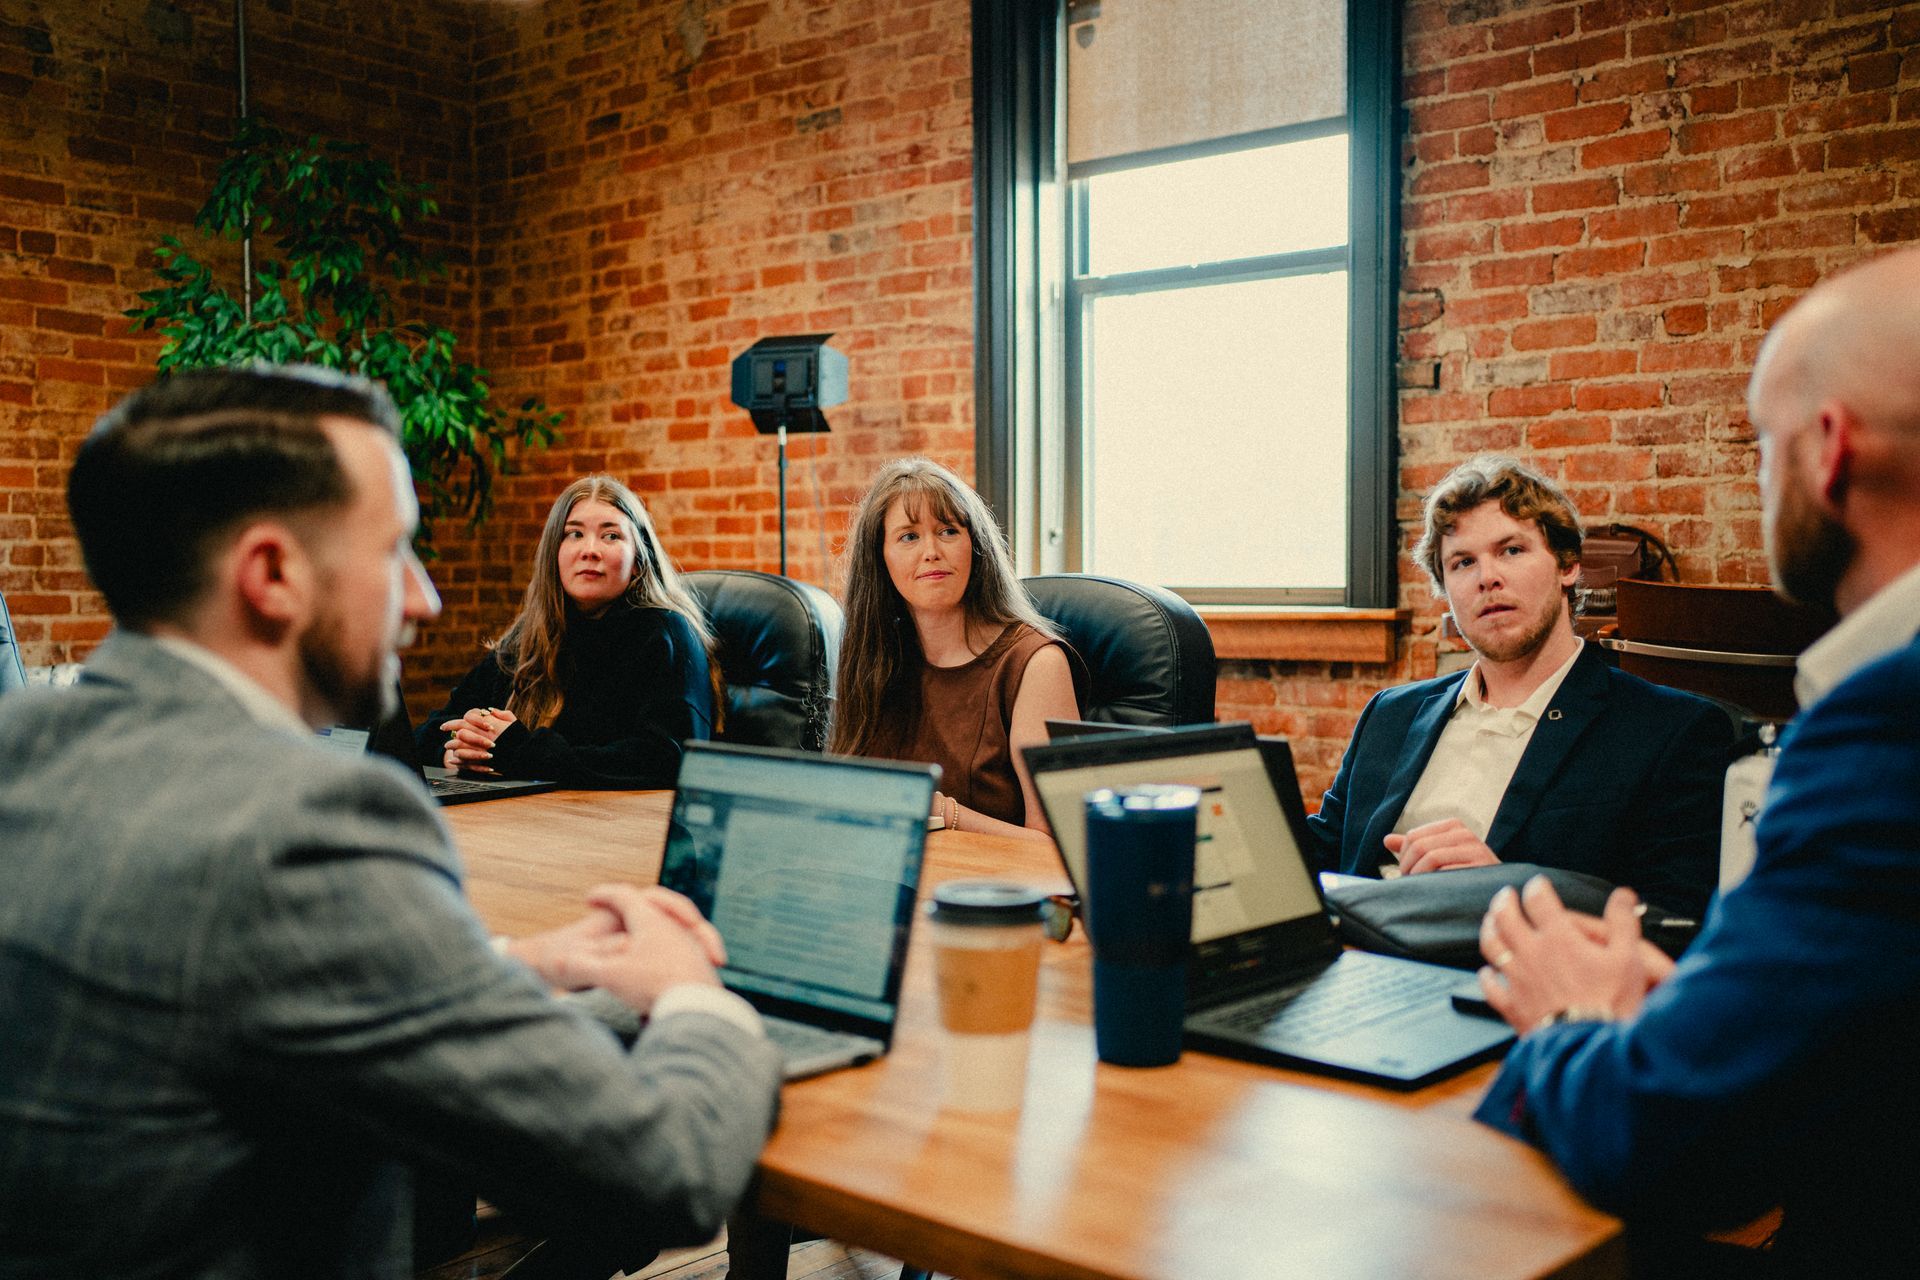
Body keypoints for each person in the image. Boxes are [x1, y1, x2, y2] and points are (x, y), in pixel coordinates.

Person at [0, 366, 782, 1279]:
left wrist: (509, 965)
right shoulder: (316, 823)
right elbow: (660, 1176)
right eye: (394, 551)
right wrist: (697, 994)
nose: (425, 599)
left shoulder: (26, 746)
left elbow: (208, 970)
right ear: (272, 575)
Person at [1472, 247, 1920, 1277]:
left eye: (1762, 445)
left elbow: (1674, 1141)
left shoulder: (1883, 732)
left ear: (1830, 448)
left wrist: (1574, 1014)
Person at [1304, 455, 1730, 917]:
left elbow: (1676, 920)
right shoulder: (1390, 715)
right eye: (1464, 562)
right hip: (1355, 957)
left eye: (1511, 550)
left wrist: (1506, 889)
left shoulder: (1670, 731)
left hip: (1506, 971)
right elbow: (1319, 855)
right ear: (1446, 589)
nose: (1488, 577)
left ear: (1567, 566)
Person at [829, 457, 1084, 840]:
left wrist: (944, 812)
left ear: (975, 548)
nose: (931, 551)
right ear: (880, 560)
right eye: (909, 537)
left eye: (948, 531)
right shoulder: (873, 658)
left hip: (998, 892)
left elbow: (1059, 845)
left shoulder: (1036, 664)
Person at [416, 474, 716, 789]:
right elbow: (431, 730)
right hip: (527, 818)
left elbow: (667, 758)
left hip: (613, 826)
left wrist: (519, 750)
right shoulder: (531, 635)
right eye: (574, 534)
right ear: (554, 554)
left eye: (611, 536)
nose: (590, 550)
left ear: (639, 561)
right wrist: (456, 748)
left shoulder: (667, 632)